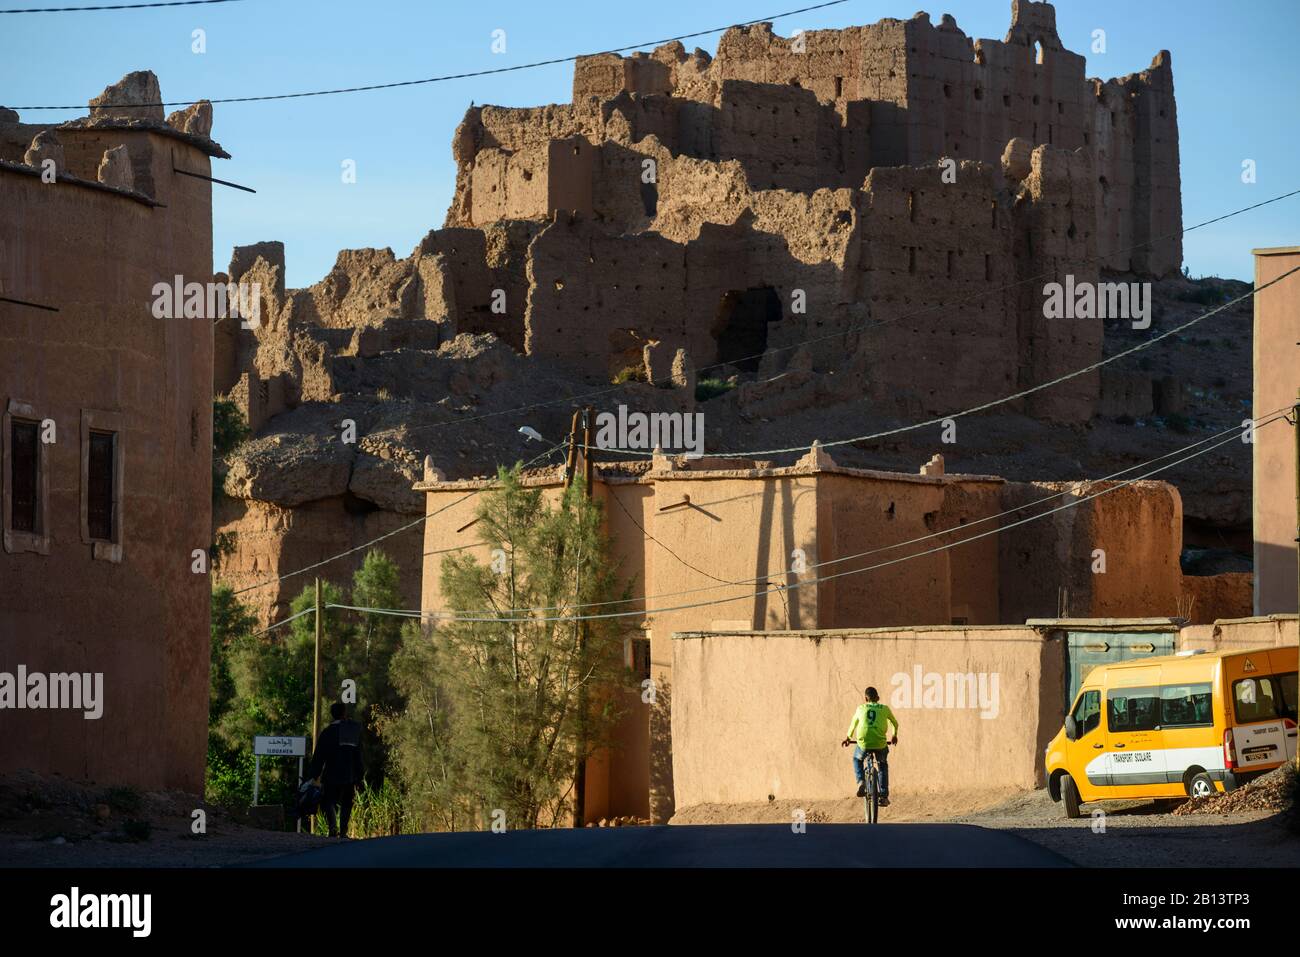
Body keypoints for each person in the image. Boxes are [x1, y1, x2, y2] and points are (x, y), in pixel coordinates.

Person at [304, 702, 365, 838]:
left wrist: (314, 775)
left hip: (331, 774)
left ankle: (332, 828)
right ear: (344, 713)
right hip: (349, 774)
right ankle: (343, 831)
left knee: (328, 801)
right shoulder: (351, 731)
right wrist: (360, 775)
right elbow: (358, 755)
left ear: (332, 715)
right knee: (347, 802)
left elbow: (319, 756)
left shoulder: (327, 732)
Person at [841, 686, 899, 805]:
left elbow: (853, 724)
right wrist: (894, 735)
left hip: (863, 742)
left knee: (857, 759)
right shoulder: (884, 708)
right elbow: (895, 723)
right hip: (880, 742)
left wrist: (848, 738)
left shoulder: (860, 708)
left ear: (866, 699)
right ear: (878, 698)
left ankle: (861, 781)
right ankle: (883, 796)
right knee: (882, 764)